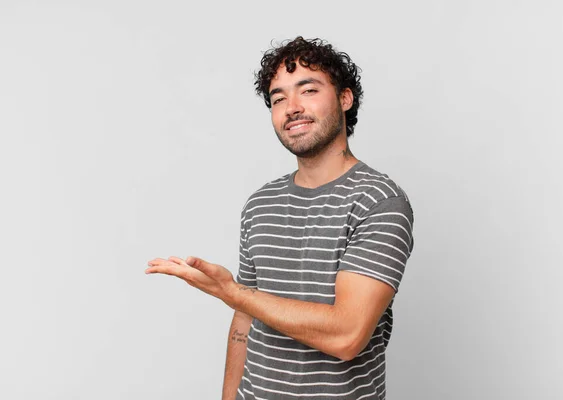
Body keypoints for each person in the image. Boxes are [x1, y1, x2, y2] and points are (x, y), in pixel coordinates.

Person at [146, 36, 415, 400]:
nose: (291, 108)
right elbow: (245, 319)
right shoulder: (260, 203)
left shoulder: (379, 201)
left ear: (345, 98)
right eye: (278, 98)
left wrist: (232, 292)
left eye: (308, 90)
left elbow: (347, 336)